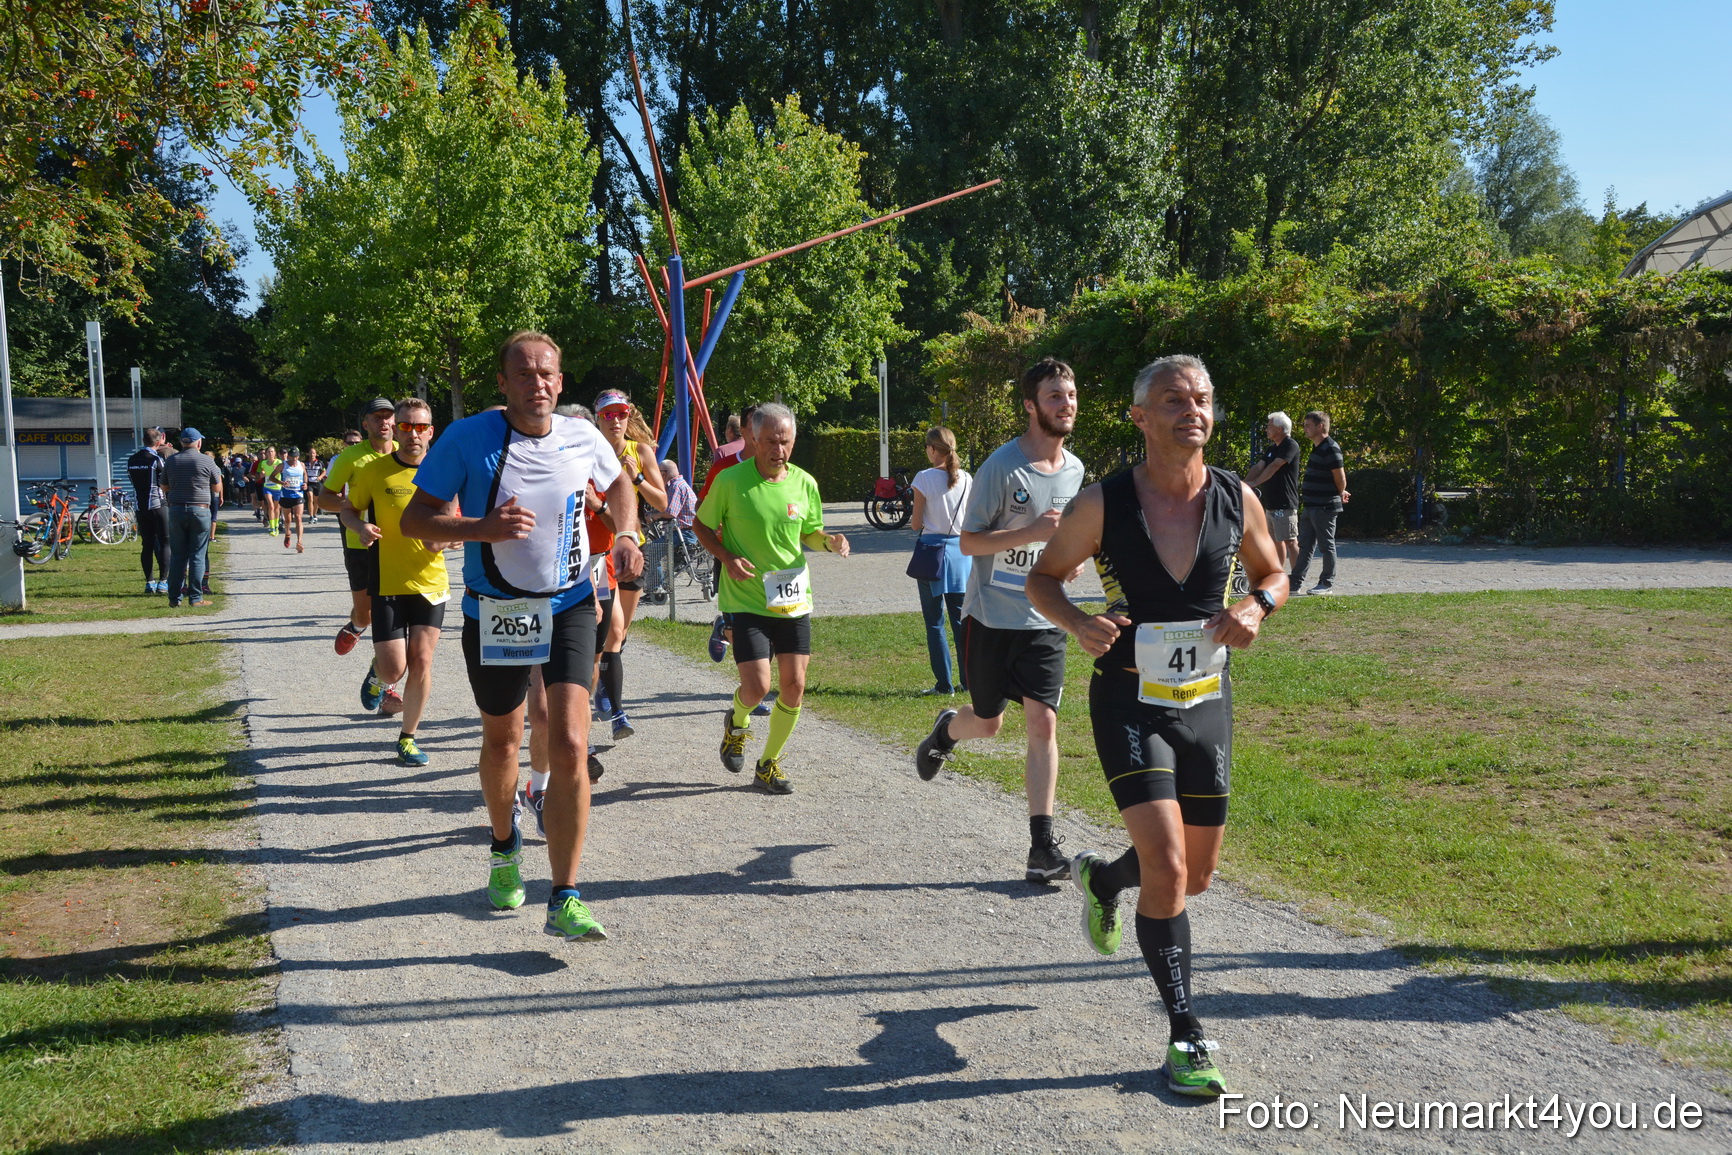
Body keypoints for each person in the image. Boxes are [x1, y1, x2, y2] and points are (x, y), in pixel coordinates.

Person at [1026, 353, 1286, 1098]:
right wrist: (1079, 622)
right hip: (1129, 702)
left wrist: (1256, 605)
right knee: (1168, 865)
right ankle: (1185, 1032)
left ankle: (1104, 877)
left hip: (1206, 704)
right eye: (1173, 400)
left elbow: (1276, 571)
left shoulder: (1237, 498)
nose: (1192, 411)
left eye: (1202, 398)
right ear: (1141, 417)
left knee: (1194, 876)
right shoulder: (1104, 502)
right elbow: (1044, 578)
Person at [400, 331, 643, 942]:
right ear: (504, 383)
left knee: (566, 743)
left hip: (568, 605)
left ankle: (565, 893)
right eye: (525, 373)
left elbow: (620, 486)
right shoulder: (466, 439)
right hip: (497, 610)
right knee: (504, 741)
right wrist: (482, 526)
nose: (538, 383)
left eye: (548, 374)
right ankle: (505, 845)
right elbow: (415, 517)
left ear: (561, 384)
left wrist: (624, 534)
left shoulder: (583, 436)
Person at [913, 357, 1085, 883]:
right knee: (988, 722)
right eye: (1055, 396)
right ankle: (947, 730)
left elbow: (1066, 538)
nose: (1067, 403)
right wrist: (1030, 533)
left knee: (1044, 723)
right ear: (1031, 407)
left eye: (1071, 394)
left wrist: (1068, 559)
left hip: (1044, 619)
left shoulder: (1076, 471)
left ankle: (1040, 847)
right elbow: (968, 541)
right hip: (990, 618)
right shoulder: (1000, 467)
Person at [698, 403, 850, 795]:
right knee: (758, 688)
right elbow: (701, 524)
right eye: (769, 441)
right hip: (746, 599)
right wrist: (727, 557)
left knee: (795, 685)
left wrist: (829, 542)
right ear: (752, 438)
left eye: (785, 442)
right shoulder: (731, 481)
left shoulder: (804, 483)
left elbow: (811, 532)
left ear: (793, 440)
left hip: (792, 599)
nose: (778, 450)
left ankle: (767, 764)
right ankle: (737, 720)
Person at [340, 399, 453, 765]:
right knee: (395, 668)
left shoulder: (445, 473)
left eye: (420, 427)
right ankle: (379, 672)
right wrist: (360, 527)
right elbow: (347, 508)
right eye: (406, 426)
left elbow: (453, 523)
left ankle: (408, 737)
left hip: (430, 582)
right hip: (387, 580)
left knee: (421, 661)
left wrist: (450, 537)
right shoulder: (375, 472)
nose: (413, 434)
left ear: (431, 431)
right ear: (396, 429)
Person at [592, 390, 667, 741]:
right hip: (600, 552)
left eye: (621, 413)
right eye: (608, 415)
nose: (616, 420)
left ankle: (604, 687)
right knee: (613, 631)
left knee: (619, 636)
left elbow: (664, 502)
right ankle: (616, 709)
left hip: (634, 548)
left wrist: (637, 478)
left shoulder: (641, 451)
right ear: (597, 419)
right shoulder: (587, 452)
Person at [322, 401, 398, 655]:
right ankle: (356, 626)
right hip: (360, 541)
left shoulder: (405, 452)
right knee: (366, 615)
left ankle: (384, 672)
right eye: (377, 417)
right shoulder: (350, 457)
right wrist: (357, 505)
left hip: (398, 543)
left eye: (388, 417)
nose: (384, 422)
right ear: (365, 424)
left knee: (393, 615)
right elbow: (324, 499)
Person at [909, 426, 973, 696]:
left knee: (935, 623)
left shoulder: (923, 478)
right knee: (961, 623)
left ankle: (943, 685)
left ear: (933, 449)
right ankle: (968, 682)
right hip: (961, 554)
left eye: (927, 446)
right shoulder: (968, 478)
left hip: (932, 554)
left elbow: (915, 524)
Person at [700, 403, 760, 663]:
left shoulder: (783, 469)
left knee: (766, 627)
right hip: (731, 553)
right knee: (742, 628)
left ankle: (754, 687)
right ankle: (725, 629)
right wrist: (717, 524)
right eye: (754, 426)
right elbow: (701, 508)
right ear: (743, 431)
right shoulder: (724, 466)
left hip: (768, 558)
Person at [1288, 409, 1350, 595]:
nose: (1305, 429)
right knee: (1304, 546)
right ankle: (1294, 584)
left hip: (1324, 506)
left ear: (1320, 426)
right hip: (1311, 505)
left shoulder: (1331, 447)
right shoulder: (1318, 447)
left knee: (1326, 545)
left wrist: (1340, 492)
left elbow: (1340, 476)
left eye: (1308, 425)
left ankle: (1326, 583)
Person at [162, 428, 224, 607]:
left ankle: (174, 598)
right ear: (198, 443)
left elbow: (164, 487)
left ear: (182, 442)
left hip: (176, 510)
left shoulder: (171, 461)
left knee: (178, 555)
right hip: (200, 510)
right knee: (197, 554)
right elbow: (217, 489)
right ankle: (196, 597)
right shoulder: (207, 461)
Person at [1242, 411, 1299, 572]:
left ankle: (1296, 578)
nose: (1266, 428)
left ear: (1280, 428)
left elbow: (1275, 465)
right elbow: (1259, 467)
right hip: (1271, 502)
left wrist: (1256, 482)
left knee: (1290, 541)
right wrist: (1244, 484)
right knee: (1275, 541)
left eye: (1269, 425)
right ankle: (1278, 574)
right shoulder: (1271, 448)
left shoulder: (1290, 445)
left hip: (1285, 502)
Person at [644, 457, 699, 599]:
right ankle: (657, 585)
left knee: (651, 551)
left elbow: (669, 513)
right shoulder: (680, 484)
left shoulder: (676, 486)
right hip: (686, 532)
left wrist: (652, 516)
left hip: (683, 534)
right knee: (656, 547)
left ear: (663, 473)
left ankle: (656, 589)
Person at [127, 427, 170, 595]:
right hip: (158, 505)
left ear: (143, 441)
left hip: (140, 506)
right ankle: (163, 582)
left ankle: (149, 582)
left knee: (147, 544)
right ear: (159, 442)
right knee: (165, 541)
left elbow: (132, 479)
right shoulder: (156, 459)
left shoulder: (131, 459)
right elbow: (165, 481)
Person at [278, 447, 309, 553]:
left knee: (298, 517)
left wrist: (305, 483)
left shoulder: (302, 465)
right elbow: (272, 477)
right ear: (289, 456)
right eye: (292, 457)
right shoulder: (283, 465)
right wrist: (282, 483)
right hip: (286, 495)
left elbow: (305, 474)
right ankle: (287, 533)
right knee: (287, 520)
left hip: (298, 495)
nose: (294, 459)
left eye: (296, 457)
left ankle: (299, 542)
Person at [256, 445, 283, 535]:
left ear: (275, 453)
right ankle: (271, 527)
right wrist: (262, 474)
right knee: (270, 506)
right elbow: (261, 474)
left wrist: (279, 470)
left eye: (272, 451)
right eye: (269, 452)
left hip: (277, 487)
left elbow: (284, 472)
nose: (270, 453)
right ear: (266, 454)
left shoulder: (279, 462)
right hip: (267, 487)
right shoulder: (263, 463)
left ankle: (276, 525)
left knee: (276, 508)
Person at [304, 447, 327, 524]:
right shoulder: (305, 463)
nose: (312, 454)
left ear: (316, 454)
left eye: (313, 453)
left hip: (317, 483)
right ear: (308, 454)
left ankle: (314, 515)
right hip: (309, 482)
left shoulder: (319, 462)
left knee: (316, 500)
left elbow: (324, 471)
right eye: (310, 453)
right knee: (310, 498)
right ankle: (310, 516)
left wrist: (320, 477)